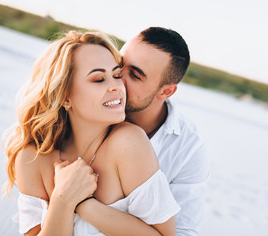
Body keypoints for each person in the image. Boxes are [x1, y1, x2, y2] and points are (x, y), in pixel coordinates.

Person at [3, 30, 180, 235]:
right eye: (98, 79)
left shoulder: (128, 143)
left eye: (116, 75)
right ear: (64, 96)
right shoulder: (32, 157)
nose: (116, 86)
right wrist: (62, 199)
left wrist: (84, 204)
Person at [74, 27, 210, 235]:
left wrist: (82, 204)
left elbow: (183, 231)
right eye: (119, 65)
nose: (117, 79)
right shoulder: (84, 110)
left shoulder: (188, 149)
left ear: (166, 91)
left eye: (135, 76)